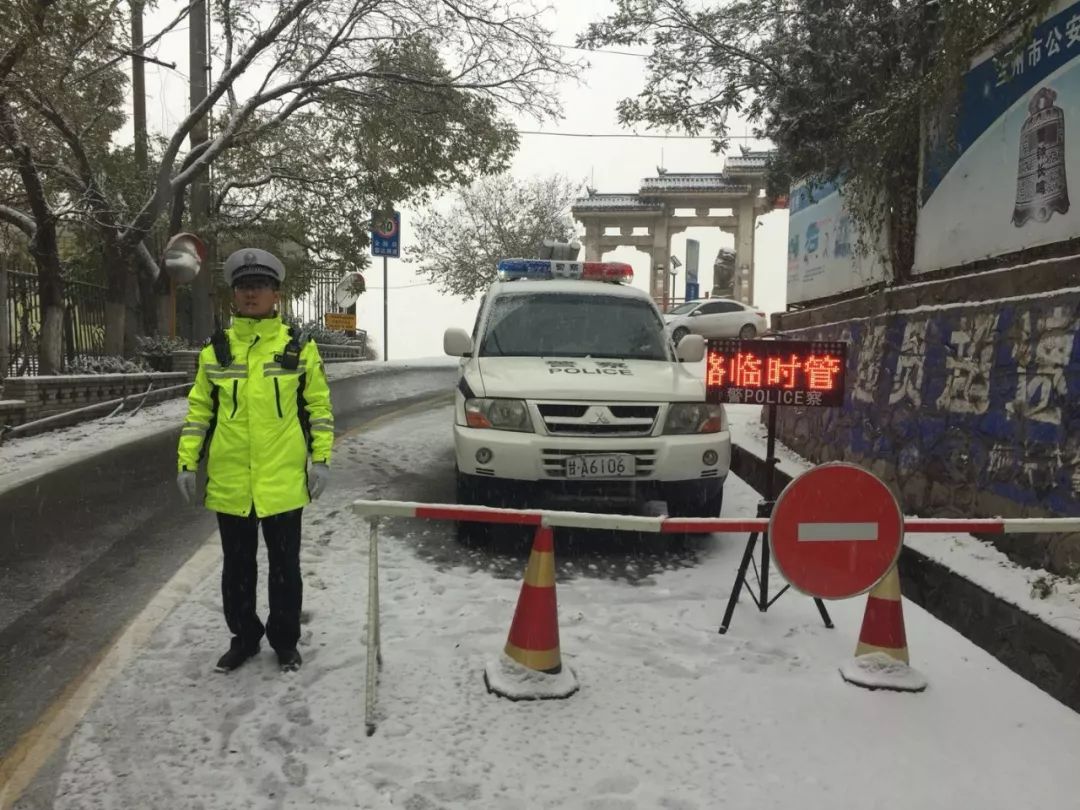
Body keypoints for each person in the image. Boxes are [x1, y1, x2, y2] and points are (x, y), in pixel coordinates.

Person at [176, 248, 334, 673]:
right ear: (234, 295)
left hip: (282, 481)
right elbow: (199, 413)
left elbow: (318, 408)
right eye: (244, 287)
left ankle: (284, 641)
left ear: (276, 294)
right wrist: (187, 463)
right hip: (231, 482)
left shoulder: (298, 348)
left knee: (285, 569)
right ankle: (244, 638)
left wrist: (320, 459)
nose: (252, 294)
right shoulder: (216, 351)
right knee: (237, 571)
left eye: (260, 286)